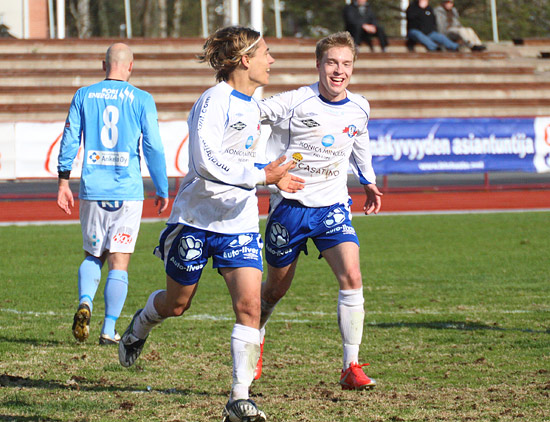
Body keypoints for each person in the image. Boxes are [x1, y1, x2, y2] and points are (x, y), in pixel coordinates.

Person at [117, 26, 304, 422]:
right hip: (195, 221)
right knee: (177, 304)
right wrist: (260, 176)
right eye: (266, 53)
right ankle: (140, 325)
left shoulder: (255, 106)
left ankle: (239, 397)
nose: (272, 61)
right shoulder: (212, 101)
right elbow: (205, 162)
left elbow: (253, 164)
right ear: (244, 59)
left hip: (238, 221)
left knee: (250, 305)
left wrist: (274, 175)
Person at [253, 31, 383, 391]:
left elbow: (359, 141)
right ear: (318, 65)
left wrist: (368, 181)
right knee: (274, 292)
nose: (338, 71)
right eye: (332, 63)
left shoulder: (360, 107)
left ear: (352, 67)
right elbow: (252, 116)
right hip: (289, 210)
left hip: (333, 207)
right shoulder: (296, 101)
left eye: (346, 64)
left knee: (352, 277)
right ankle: (257, 336)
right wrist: (267, 173)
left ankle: (350, 366)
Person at [56, 43, 169, 346]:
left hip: (93, 190)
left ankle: (85, 302)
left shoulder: (83, 94)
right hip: (128, 192)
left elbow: (70, 138)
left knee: (93, 255)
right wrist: (161, 186)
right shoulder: (142, 99)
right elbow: (154, 146)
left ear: (103, 64)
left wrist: (63, 181)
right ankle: (108, 330)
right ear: (130, 66)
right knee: (119, 262)